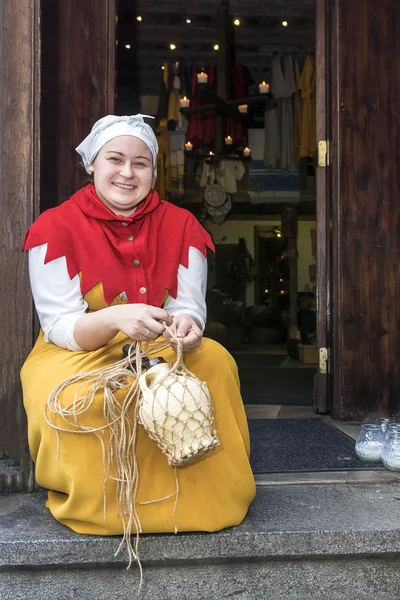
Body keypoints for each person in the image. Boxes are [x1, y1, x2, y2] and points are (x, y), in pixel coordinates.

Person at [20, 114, 255, 538]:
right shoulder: (53, 228)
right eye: (115, 159)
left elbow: (188, 305)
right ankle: (108, 509)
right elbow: (59, 326)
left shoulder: (183, 226)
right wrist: (112, 318)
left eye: (141, 163)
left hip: (160, 344)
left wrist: (187, 323)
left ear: (153, 171)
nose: (127, 173)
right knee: (82, 397)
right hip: (79, 350)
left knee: (215, 364)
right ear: (92, 163)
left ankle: (208, 500)